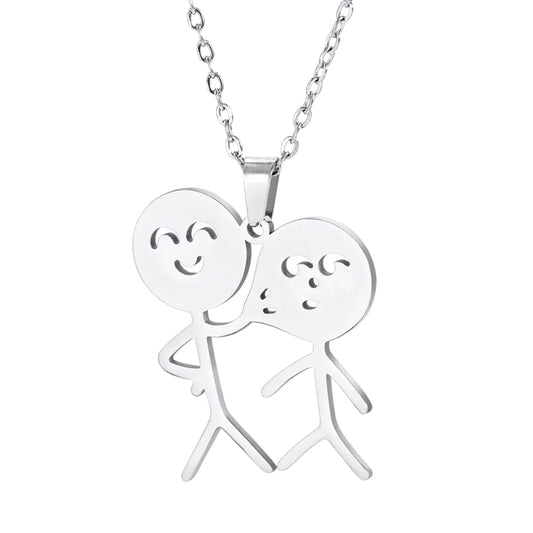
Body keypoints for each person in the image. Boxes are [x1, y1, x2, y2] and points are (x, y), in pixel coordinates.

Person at [133, 188, 275, 481]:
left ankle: (218, 422)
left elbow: (219, 331)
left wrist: (248, 315)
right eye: (170, 242)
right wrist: (198, 375)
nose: (186, 252)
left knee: (217, 413)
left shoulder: (216, 286)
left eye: (196, 238)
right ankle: (218, 421)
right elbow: (166, 359)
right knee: (211, 407)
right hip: (203, 361)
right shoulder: (191, 303)